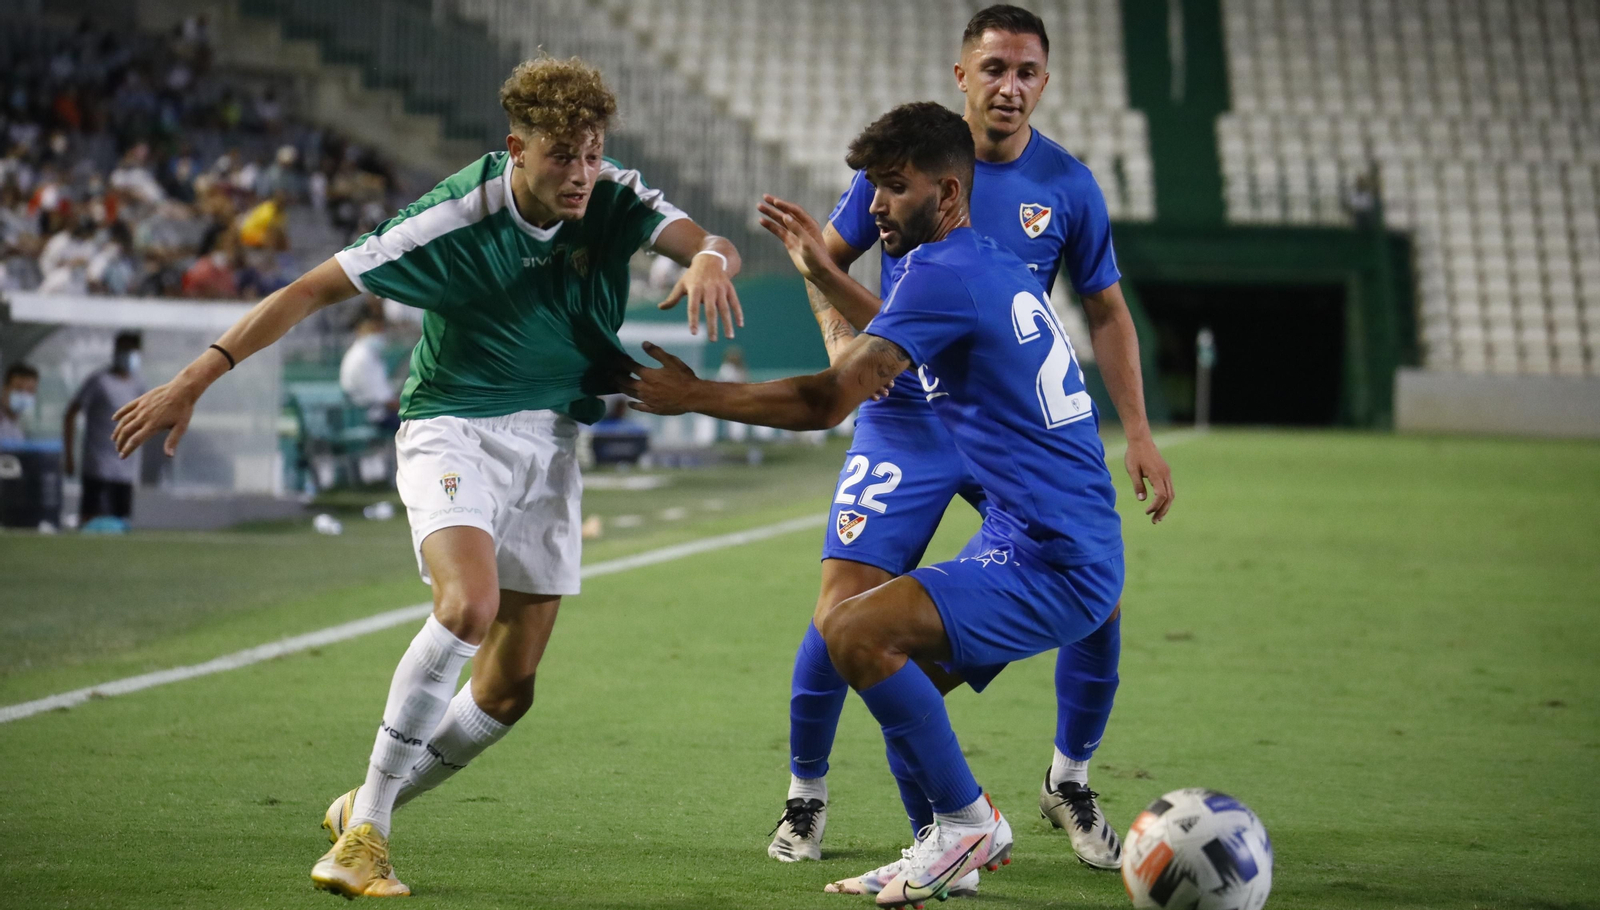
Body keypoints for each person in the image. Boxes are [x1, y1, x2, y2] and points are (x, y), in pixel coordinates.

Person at [111, 55, 743, 899]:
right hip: (454, 430)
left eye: (592, 153)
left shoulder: (616, 193)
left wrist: (709, 260)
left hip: (551, 439)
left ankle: (368, 802)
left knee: (510, 691)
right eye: (563, 155)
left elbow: (707, 242)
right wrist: (196, 377)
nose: (582, 174)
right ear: (517, 147)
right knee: (467, 607)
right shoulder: (452, 217)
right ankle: (366, 833)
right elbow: (307, 290)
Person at [625, 100, 1171, 907]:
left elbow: (825, 401)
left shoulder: (944, 274)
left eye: (893, 187)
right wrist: (823, 274)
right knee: (899, 694)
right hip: (1056, 538)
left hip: (1053, 559)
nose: (874, 204)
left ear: (947, 194)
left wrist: (695, 393)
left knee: (852, 629)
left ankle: (965, 827)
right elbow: (905, 328)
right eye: (872, 187)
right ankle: (944, 848)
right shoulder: (977, 263)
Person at [763, 4, 1172, 883]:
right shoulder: (907, 167)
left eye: (1026, 71)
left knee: (1093, 596)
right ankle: (807, 792)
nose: (1010, 87)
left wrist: (1136, 431)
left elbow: (1106, 310)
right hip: (906, 419)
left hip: (999, 427)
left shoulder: (1068, 185)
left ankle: (1067, 781)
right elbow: (823, 262)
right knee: (846, 603)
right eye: (994, 69)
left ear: (1044, 82)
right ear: (963, 76)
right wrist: (842, 352)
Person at [64, 332, 147, 525]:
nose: (127, 355)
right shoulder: (99, 381)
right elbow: (71, 414)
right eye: (124, 350)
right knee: (90, 516)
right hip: (98, 463)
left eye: (131, 350)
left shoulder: (139, 383)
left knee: (120, 520)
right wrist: (69, 455)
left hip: (126, 464)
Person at [339, 313, 399, 431]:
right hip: (370, 415)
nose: (381, 336)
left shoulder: (365, 353)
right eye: (377, 332)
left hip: (369, 411)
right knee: (415, 423)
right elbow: (384, 398)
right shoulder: (363, 357)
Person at [0, 363, 40, 443]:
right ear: (5, 389)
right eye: (18, 389)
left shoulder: (21, 425)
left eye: (30, 390)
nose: (24, 395)